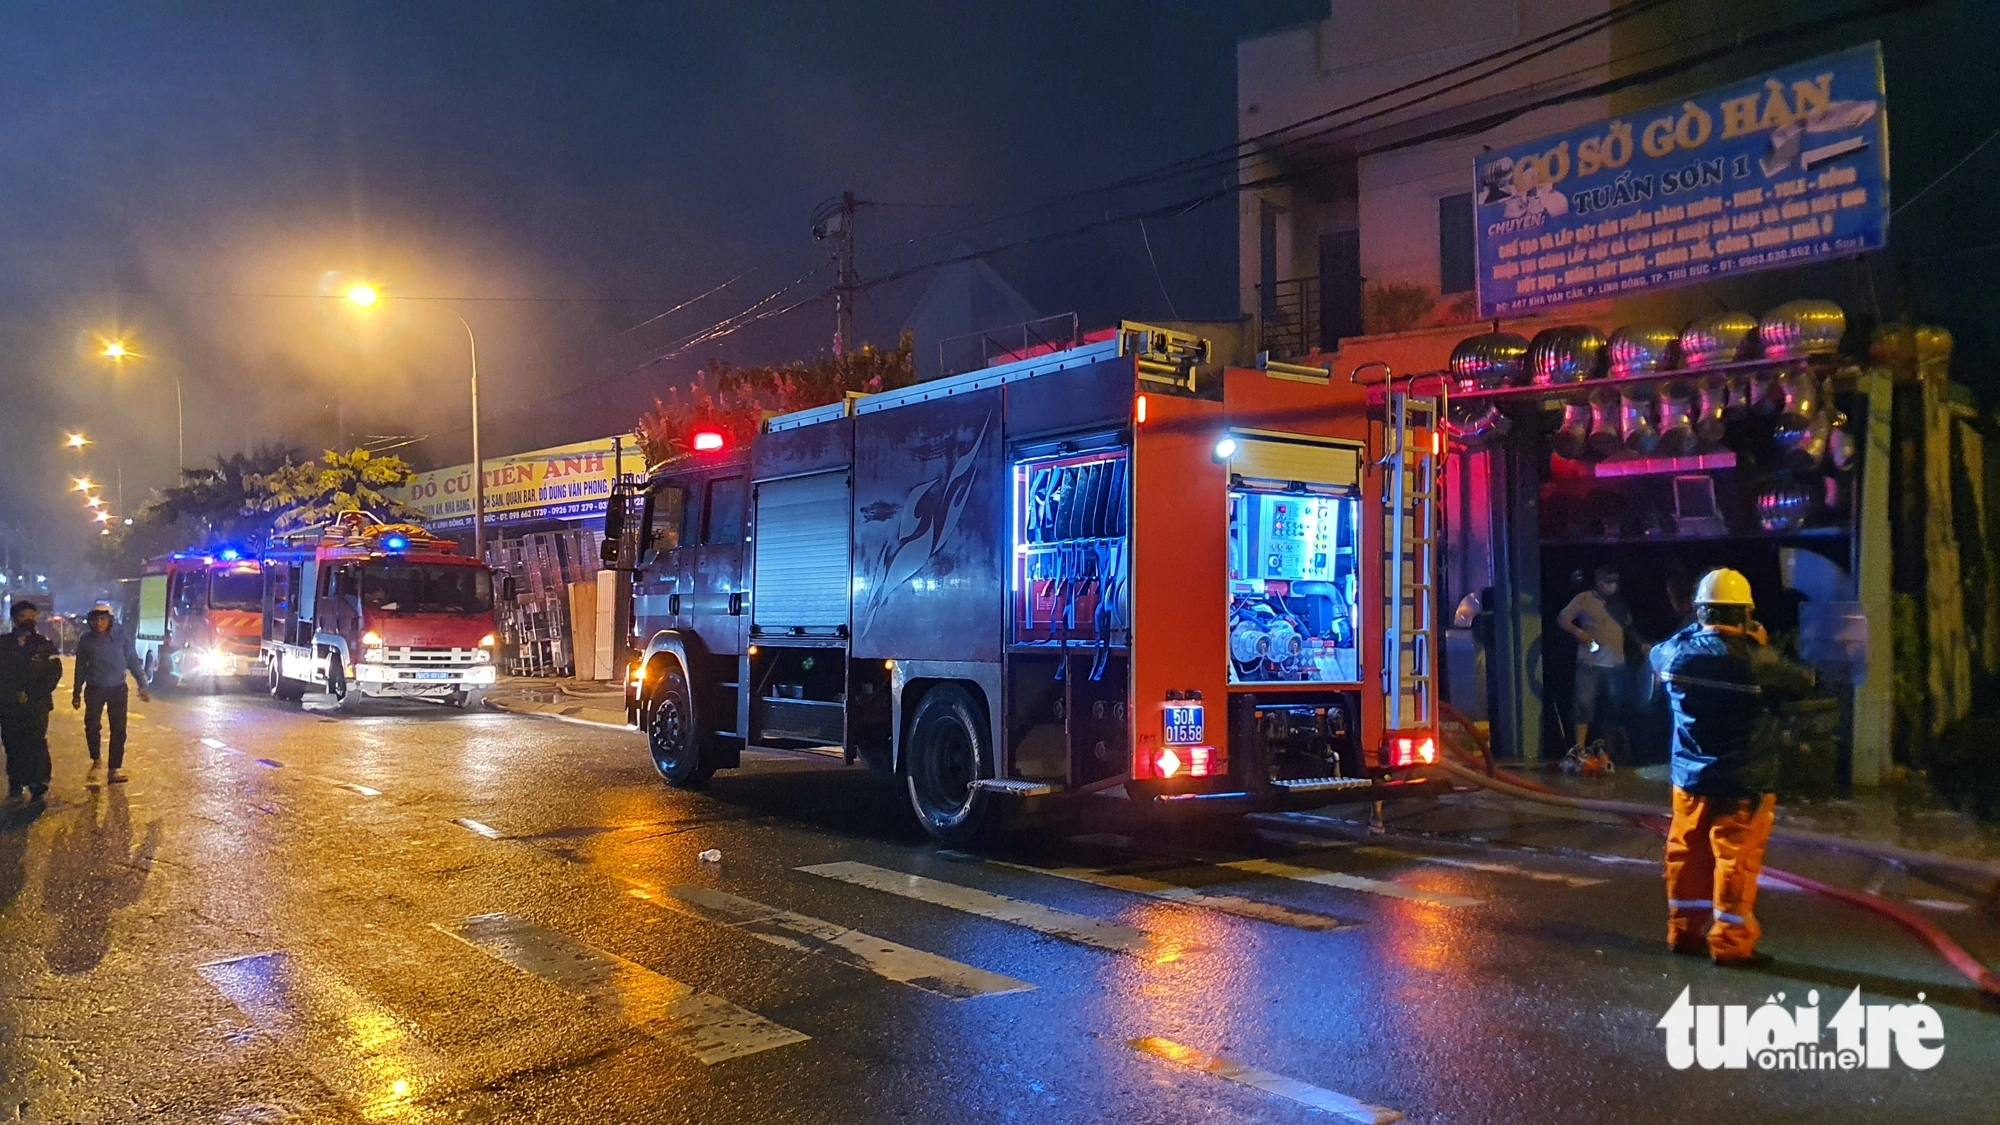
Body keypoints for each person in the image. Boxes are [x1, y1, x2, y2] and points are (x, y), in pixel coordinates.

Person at [1650, 568, 1817, 967]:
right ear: (1745, 615)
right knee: (1734, 862)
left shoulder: (1675, 655)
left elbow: (1660, 650)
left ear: (1700, 613)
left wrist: (1696, 630)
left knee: (1685, 854)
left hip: (1690, 779)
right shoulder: (1760, 662)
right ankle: (1730, 943)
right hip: (1745, 779)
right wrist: (1760, 643)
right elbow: (1805, 681)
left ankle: (1684, 932)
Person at [1557, 564, 1631, 766]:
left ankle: (1609, 748)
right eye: (1609, 582)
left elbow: (1628, 626)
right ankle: (1579, 747)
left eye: (1616, 581)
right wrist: (1579, 633)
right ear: (1600, 583)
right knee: (1583, 704)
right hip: (1590, 663)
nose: (1613, 586)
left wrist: (1641, 644)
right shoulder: (1584, 599)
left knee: (1613, 707)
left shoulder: (1619, 604)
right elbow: (1563, 618)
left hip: (1616, 665)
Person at [71, 606, 150, 783]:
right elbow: (81, 667)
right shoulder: (86, 641)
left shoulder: (120, 638)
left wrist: (142, 685)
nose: (99, 623)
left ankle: (114, 768)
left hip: (118, 689)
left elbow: (133, 662)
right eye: (96, 620)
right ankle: (96, 760)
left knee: (119, 730)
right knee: (92, 726)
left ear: (110, 620)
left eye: (103, 619)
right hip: (95, 688)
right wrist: (76, 692)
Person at [0, 601, 64, 804]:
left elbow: (55, 672)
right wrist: (12, 693)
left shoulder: (44, 644)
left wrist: (33, 694)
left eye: (32, 615)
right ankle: (16, 780)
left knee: (35, 741)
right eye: (23, 616)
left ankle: (38, 782)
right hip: (8, 704)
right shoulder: (3, 644)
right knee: (12, 742)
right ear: (14, 618)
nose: (28, 620)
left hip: (37, 704)